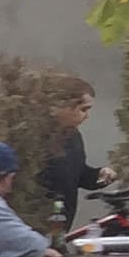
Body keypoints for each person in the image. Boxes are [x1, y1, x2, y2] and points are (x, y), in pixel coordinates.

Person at [36, 80, 102, 224]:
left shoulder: (74, 136)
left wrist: (98, 175)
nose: (87, 116)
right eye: (83, 109)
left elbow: (77, 174)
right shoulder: (33, 136)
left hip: (61, 222)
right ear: (62, 106)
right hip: (32, 221)